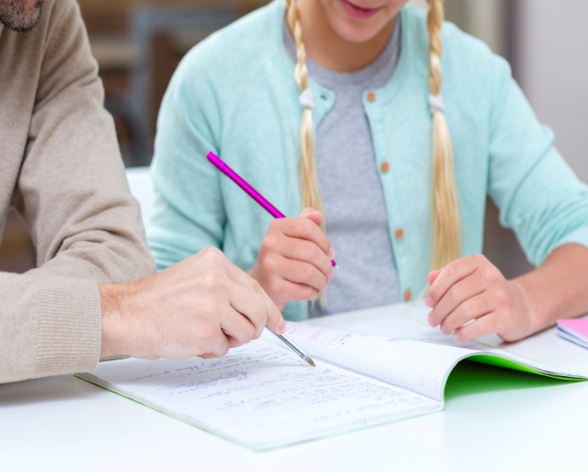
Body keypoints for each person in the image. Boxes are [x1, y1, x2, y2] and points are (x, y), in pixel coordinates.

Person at [149, 0, 588, 343]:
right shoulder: (211, 82)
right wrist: (253, 288)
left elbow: (577, 228)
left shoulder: (473, 74)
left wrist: (524, 302)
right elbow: (159, 302)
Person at [0, 0, 284, 385]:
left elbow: (117, 262)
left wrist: (111, 309)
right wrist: (120, 313)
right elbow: (122, 299)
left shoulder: (47, 16)